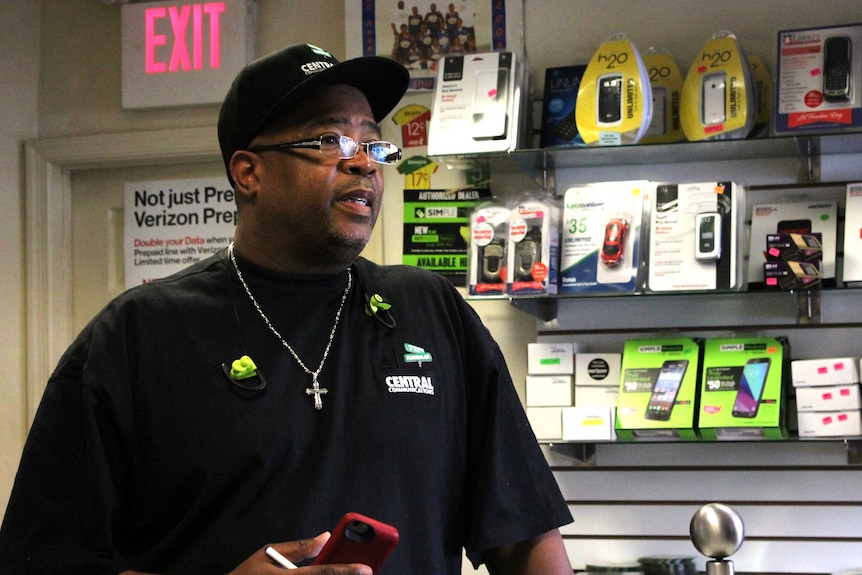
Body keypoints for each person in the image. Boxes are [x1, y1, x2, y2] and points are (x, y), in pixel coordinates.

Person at [0, 43, 573, 575]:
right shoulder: (136, 336)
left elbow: (526, 537)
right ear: (249, 172)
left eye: (372, 144)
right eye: (329, 141)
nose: (364, 164)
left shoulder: (433, 312)